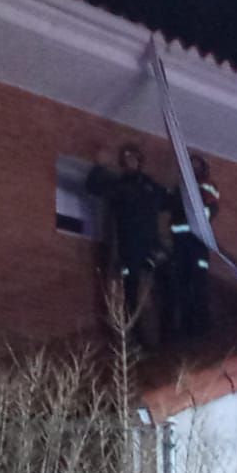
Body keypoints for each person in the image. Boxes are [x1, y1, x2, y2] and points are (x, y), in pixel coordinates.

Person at [86, 143, 170, 340]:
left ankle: (167, 332)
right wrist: (98, 166)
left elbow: (170, 202)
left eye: (134, 157)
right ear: (123, 162)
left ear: (140, 161)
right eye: (127, 158)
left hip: (151, 245)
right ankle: (135, 335)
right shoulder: (119, 185)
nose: (131, 162)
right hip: (129, 247)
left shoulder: (151, 186)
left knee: (165, 284)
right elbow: (93, 187)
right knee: (130, 291)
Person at [169, 154, 219, 339]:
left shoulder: (207, 186)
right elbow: (172, 209)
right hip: (181, 243)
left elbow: (211, 208)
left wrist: (193, 217)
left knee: (199, 283)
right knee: (183, 283)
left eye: (197, 166)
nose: (194, 169)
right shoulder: (180, 188)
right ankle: (187, 325)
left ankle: (202, 325)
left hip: (197, 241)